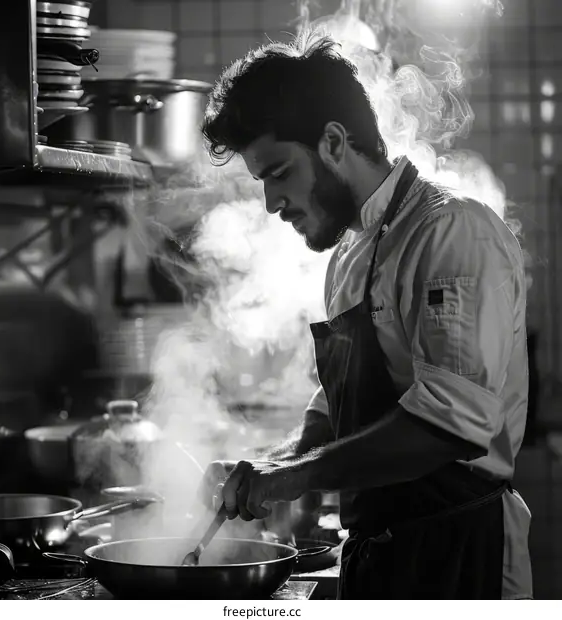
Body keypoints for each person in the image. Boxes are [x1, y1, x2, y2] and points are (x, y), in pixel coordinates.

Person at [200, 31, 532, 599]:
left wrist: (292, 479)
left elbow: (445, 425)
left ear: (333, 142)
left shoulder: (450, 232)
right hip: (381, 557)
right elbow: (342, 403)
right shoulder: (350, 254)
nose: (270, 203)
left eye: (278, 172)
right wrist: (267, 466)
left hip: (459, 555)